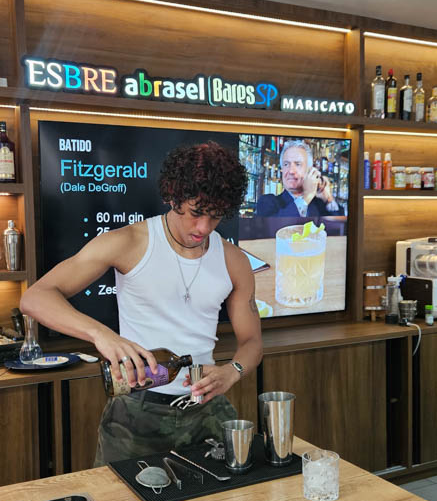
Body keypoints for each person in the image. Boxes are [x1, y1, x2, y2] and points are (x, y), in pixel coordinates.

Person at [20, 141, 263, 465]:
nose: (203, 228)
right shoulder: (129, 242)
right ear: (173, 196)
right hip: (135, 412)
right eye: (195, 212)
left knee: (228, 496)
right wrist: (102, 335)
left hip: (206, 408)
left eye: (215, 216)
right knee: (119, 499)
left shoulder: (234, 261)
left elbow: (252, 342)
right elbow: (35, 297)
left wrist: (232, 371)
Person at [256, 139, 342, 221]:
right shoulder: (267, 202)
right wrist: (306, 196)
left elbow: (340, 227)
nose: (291, 171)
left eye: (298, 164)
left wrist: (328, 199)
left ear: (310, 171)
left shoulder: (319, 205)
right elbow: (274, 227)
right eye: (286, 164)